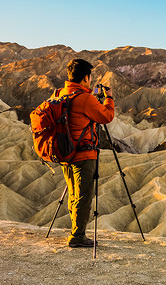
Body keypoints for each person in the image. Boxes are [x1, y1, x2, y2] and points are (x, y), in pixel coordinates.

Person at [59, 59, 114, 247]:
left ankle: (75, 230)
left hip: (65, 152)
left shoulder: (61, 93)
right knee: (83, 196)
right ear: (85, 78)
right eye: (89, 77)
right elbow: (106, 117)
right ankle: (78, 236)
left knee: (73, 193)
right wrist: (109, 98)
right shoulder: (85, 98)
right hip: (83, 154)